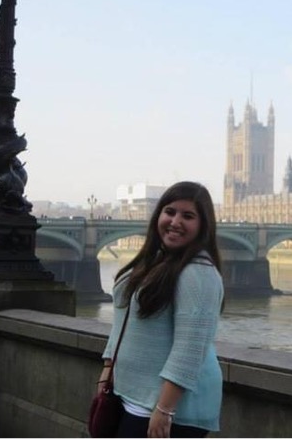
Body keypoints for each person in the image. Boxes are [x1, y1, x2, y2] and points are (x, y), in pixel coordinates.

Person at [97, 181, 224, 438]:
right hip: (131, 394)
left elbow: (190, 348)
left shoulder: (198, 272)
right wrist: (107, 372)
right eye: (170, 212)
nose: (175, 221)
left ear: (203, 226)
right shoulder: (156, 261)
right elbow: (123, 322)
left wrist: (165, 409)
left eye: (188, 216)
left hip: (165, 405)